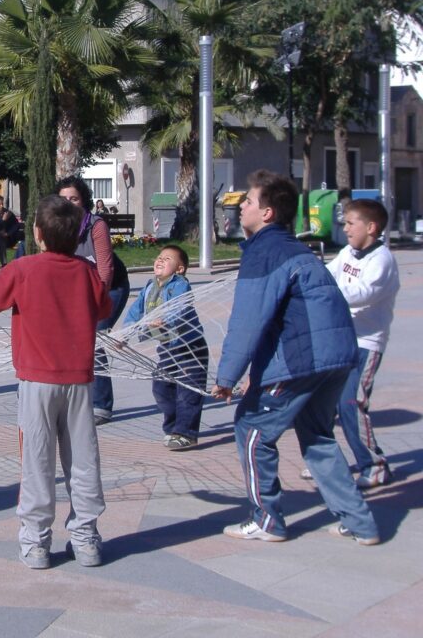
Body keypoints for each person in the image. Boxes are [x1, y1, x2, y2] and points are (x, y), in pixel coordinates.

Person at [211, 170, 379, 545]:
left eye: (249, 202)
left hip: (304, 358)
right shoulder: (295, 248)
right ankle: (361, 523)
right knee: (317, 437)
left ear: (267, 213)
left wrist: (226, 376)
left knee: (251, 429)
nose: (242, 209)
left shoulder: (265, 252)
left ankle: (268, 520)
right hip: (336, 358)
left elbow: (249, 320)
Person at [0, 195, 112, 570]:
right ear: (77, 237)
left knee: (37, 462)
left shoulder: (23, 270)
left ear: (37, 234)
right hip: (78, 383)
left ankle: (36, 543)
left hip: (36, 383)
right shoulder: (87, 273)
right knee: (84, 461)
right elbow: (103, 308)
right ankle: (86, 538)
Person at [320, 198, 399, 488]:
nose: (346, 228)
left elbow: (362, 294)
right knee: (323, 402)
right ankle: (327, 462)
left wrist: (325, 291)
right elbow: (328, 273)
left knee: (351, 404)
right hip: (339, 337)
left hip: (366, 343)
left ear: (371, 227)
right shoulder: (348, 252)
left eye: (351, 223)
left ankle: (375, 465)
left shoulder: (382, 260)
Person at [56, 176, 131, 424]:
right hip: (79, 291)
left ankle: (101, 405)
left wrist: (93, 304)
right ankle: (73, 401)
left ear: (84, 200)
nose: (68, 203)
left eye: (74, 198)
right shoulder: (57, 226)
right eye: (63, 199)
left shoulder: (95, 225)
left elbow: (106, 271)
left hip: (110, 289)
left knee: (94, 340)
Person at [124, 245, 208, 450]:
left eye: (167, 259)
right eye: (159, 257)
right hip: (168, 348)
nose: (160, 260)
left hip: (190, 348)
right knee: (161, 387)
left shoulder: (180, 285)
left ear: (179, 269)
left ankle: (186, 432)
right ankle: (173, 428)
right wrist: (126, 334)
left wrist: (165, 319)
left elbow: (180, 306)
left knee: (188, 391)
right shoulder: (149, 287)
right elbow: (135, 311)